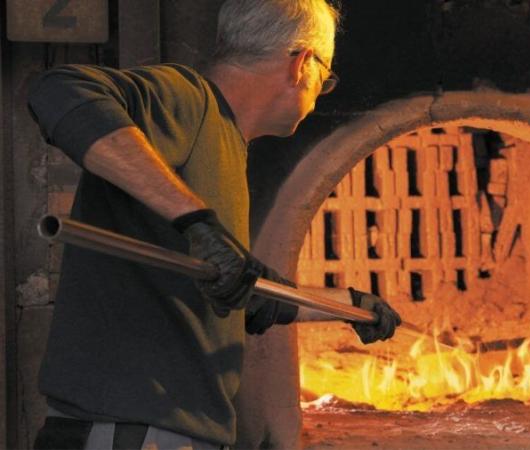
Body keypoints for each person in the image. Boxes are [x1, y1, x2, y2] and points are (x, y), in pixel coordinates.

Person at [27, 0, 401, 448]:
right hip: (130, 430)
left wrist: (349, 303)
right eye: (327, 79)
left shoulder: (226, 144)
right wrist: (196, 220)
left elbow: (244, 292)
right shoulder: (189, 99)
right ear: (302, 64)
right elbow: (59, 90)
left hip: (164, 431)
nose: (322, 90)